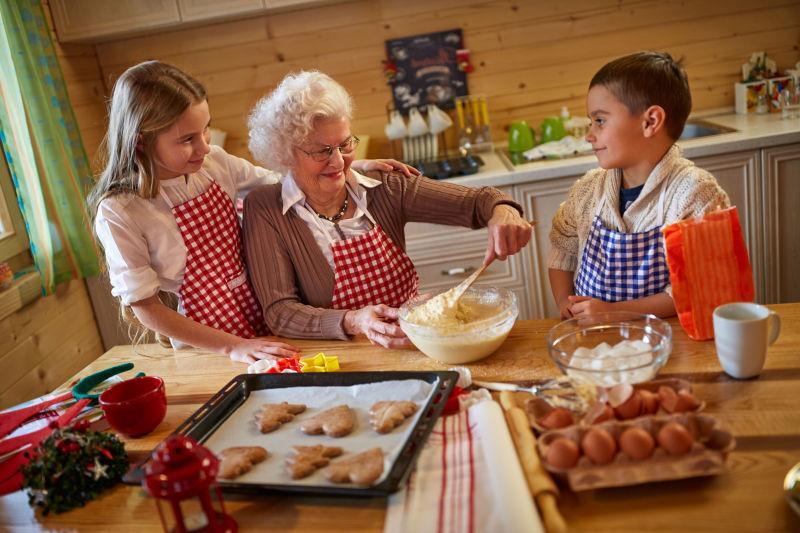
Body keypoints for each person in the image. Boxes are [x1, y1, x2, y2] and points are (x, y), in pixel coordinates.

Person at [88, 61, 417, 363]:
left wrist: (345, 166)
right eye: (187, 139)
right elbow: (146, 308)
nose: (204, 146)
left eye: (205, 130)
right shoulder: (121, 210)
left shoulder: (214, 164)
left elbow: (284, 184)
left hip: (261, 314)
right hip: (208, 344)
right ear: (140, 142)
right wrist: (233, 346)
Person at [243, 71, 532, 348]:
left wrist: (502, 209)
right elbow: (280, 313)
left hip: (407, 345)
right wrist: (353, 321)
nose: (338, 161)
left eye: (345, 144)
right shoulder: (267, 208)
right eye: (321, 151)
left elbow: (479, 201)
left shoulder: (386, 187)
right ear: (286, 154)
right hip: (339, 360)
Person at [548, 51, 729, 320]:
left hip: (667, 343)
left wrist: (615, 311)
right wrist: (564, 300)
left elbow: (698, 288)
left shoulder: (696, 194)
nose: (589, 135)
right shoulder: (587, 190)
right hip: (594, 339)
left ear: (650, 121)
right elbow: (562, 248)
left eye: (600, 120)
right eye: (590, 121)